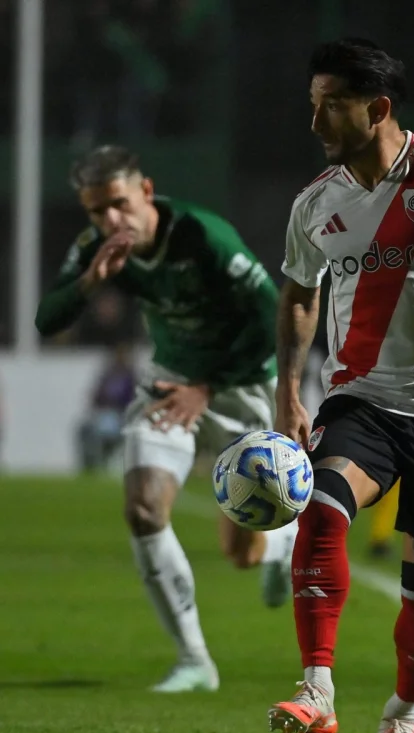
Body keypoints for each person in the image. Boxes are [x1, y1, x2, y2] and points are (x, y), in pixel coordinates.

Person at [35, 145, 297, 693]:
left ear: (146, 192)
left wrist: (208, 387)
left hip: (240, 382)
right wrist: (90, 281)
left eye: (118, 204)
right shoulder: (97, 247)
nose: (109, 220)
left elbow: (270, 315)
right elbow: (46, 318)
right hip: (168, 384)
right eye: (95, 211)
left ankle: (280, 545)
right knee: (143, 509)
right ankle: (195, 660)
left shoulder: (203, 236)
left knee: (240, 552)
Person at [268, 37, 414, 733]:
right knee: (319, 506)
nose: (315, 123)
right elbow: (297, 293)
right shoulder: (316, 203)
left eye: (331, 107)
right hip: (363, 401)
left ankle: (403, 713)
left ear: (377, 109)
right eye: (312, 105)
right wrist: (289, 387)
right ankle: (316, 690)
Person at [76, 343, 136, 472]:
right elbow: (95, 397)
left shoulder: (130, 377)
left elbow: (133, 400)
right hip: (104, 414)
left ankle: (104, 456)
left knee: (108, 428)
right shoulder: (106, 376)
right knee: (83, 429)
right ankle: (89, 464)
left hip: (121, 416)